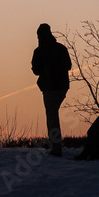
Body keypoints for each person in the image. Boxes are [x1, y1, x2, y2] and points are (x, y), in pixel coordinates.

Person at [31, 23, 72, 157]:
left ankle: (56, 148)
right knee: (53, 114)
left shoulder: (39, 51)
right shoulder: (60, 48)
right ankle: (55, 146)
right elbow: (68, 65)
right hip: (62, 86)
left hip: (50, 87)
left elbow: (36, 71)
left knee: (52, 116)